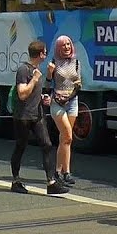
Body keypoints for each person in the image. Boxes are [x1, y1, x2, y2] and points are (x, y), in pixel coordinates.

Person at [11, 40, 65, 195]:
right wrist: (34, 79)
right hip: (23, 116)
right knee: (20, 146)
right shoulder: (24, 70)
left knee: (47, 144)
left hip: (37, 114)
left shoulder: (37, 70)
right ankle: (15, 181)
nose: (46, 55)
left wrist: (44, 97)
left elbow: (38, 91)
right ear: (41, 54)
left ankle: (51, 182)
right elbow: (22, 94)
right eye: (45, 52)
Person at [46, 36, 82, 188]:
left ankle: (64, 172)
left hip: (72, 101)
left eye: (68, 44)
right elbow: (48, 84)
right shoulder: (54, 62)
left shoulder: (77, 62)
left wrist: (69, 98)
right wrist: (49, 74)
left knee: (66, 138)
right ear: (58, 48)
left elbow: (79, 84)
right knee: (66, 134)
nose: (67, 47)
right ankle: (59, 172)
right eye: (63, 45)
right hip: (57, 102)